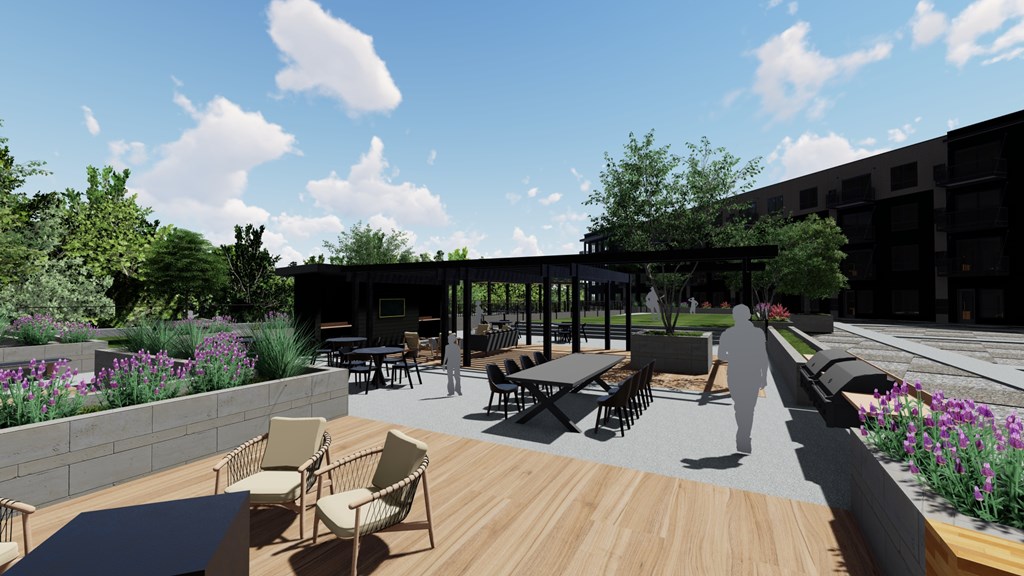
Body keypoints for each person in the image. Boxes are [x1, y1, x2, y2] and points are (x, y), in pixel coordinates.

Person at [717, 304, 767, 454]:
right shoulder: (758, 333)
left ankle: (742, 436)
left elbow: (721, 356)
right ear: (749, 316)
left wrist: (734, 356)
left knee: (739, 406)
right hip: (752, 374)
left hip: (735, 373)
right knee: (749, 408)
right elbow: (762, 355)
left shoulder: (727, 334)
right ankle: (744, 436)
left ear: (734, 317)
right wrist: (764, 376)